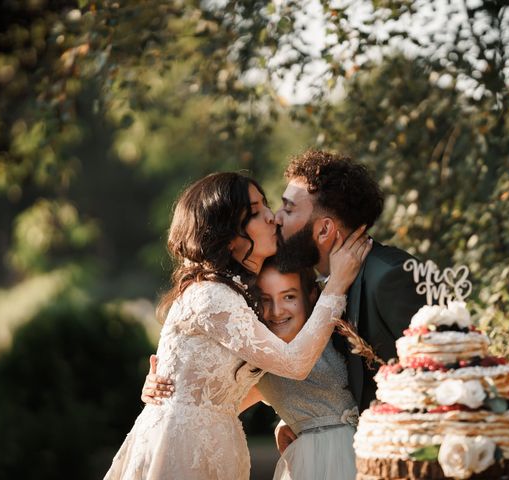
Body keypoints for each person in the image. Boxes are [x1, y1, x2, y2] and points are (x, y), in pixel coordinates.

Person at [143, 150, 425, 455]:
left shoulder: (384, 277)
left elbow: (437, 371)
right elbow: (237, 390)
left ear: (325, 229)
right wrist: (175, 390)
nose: (275, 216)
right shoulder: (261, 303)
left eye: (287, 209)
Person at [103, 172, 371, 480]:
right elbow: (294, 364)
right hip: (184, 448)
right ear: (227, 235)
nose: (272, 218)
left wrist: (296, 419)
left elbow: (235, 388)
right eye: (256, 212)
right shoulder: (212, 296)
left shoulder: (240, 297)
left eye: (266, 206)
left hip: (218, 443)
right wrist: (337, 286)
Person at [144, 258, 359, 480]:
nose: (276, 311)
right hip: (313, 465)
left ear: (311, 295)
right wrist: (160, 393)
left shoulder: (334, 330)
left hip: (366, 448)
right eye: (265, 300)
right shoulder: (259, 361)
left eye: (289, 297)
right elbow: (213, 406)